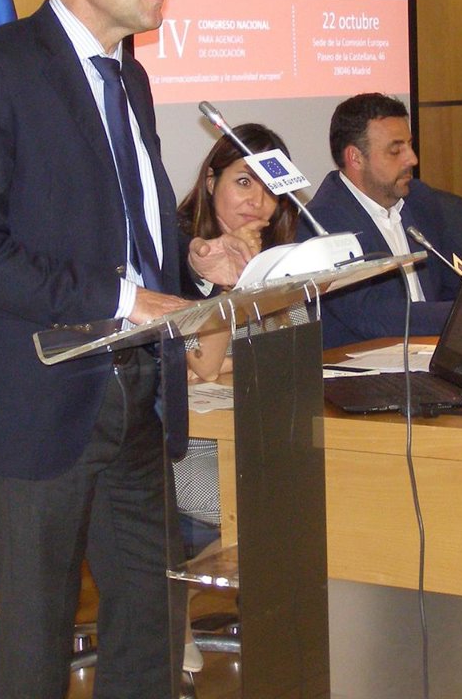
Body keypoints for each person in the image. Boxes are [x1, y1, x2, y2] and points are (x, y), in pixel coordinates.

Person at [0, 0, 250, 699]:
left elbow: (121, 221)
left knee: (150, 616)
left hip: (137, 387)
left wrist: (192, 260)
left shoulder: (127, 76)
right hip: (37, 394)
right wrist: (123, 297)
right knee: (38, 633)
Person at [174, 122, 298, 671]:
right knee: (268, 503)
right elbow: (202, 363)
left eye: (270, 189)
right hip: (190, 446)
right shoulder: (176, 255)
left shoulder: (279, 256)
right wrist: (229, 284)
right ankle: (167, 610)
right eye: (244, 182)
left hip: (261, 433)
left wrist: (224, 361)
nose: (257, 201)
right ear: (211, 181)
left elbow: (291, 348)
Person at [297, 92, 462, 348]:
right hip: (363, 364)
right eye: (396, 150)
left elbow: (454, 280)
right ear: (356, 158)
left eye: (409, 145)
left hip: (432, 348)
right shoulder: (322, 221)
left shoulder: (419, 198)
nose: (412, 159)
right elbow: (372, 315)